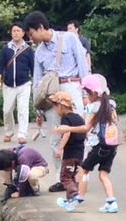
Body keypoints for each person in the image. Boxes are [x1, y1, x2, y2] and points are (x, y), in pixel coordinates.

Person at [23, 11, 89, 149]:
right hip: (51, 94)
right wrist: (39, 110)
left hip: (71, 86)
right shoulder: (39, 52)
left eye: (31, 33)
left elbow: (83, 65)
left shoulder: (70, 38)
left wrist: (85, 94)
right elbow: (37, 83)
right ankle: (61, 171)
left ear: (40, 27)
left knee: (77, 131)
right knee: (56, 135)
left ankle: (80, 170)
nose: (31, 37)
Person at [74, 74, 120, 213]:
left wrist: (67, 129)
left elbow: (86, 127)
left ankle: (77, 199)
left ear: (93, 93)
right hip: (112, 146)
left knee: (83, 169)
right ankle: (111, 202)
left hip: (100, 146)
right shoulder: (110, 105)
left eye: (87, 93)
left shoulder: (95, 107)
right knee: (103, 175)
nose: (86, 97)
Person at [0, 23, 34, 142]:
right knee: (7, 110)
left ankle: (22, 134)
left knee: (23, 109)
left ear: (23, 33)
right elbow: (0, 66)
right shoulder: (6, 49)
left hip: (24, 84)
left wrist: (36, 84)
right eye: (14, 31)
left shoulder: (28, 50)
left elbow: (33, 68)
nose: (16, 33)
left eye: (18, 31)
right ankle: (9, 131)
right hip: (8, 84)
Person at [47, 91, 87, 206]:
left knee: (65, 178)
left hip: (70, 154)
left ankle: (74, 195)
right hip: (79, 154)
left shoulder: (65, 120)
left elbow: (67, 133)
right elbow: (84, 133)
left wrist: (60, 149)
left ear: (61, 106)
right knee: (73, 177)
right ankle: (70, 200)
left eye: (55, 107)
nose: (55, 110)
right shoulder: (79, 118)